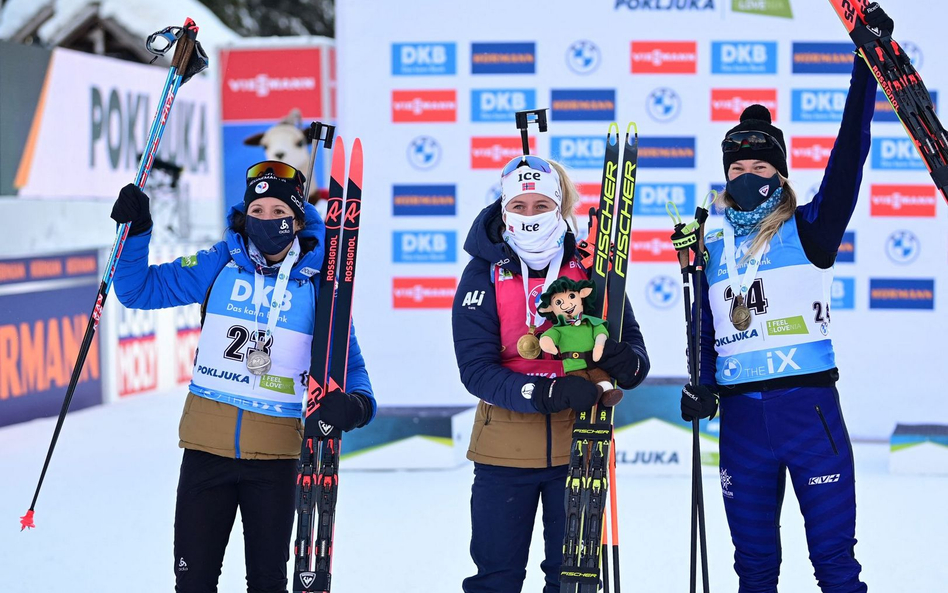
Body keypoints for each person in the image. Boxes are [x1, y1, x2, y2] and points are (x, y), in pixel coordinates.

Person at [680, 5, 894, 592]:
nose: (748, 175)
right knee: (753, 571)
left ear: (779, 173)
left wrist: (864, 70)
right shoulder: (711, 243)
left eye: (760, 166)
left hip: (810, 414)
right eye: (738, 167)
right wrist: (702, 381)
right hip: (743, 423)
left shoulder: (811, 226)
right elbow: (705, 326)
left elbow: (848, 158)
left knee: (835, 567)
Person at [110, 161, 375, 593]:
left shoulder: (316, 283)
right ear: (244, 214)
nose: (267, 221)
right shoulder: (219, 262)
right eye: (258, 211)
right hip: (205, 451)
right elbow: (138, 289)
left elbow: (352, 366)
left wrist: (358, 405)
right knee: (193, 582)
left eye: (278, 213)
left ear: (296, 219)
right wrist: (137, 232)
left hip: (275, 459)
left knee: (267, 584)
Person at [452, 153, 650, 593]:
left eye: (541, 205)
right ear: (503, 210)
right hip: (502, 452)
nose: (530, 215)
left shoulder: (590, 266)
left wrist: (620, 360)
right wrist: (542, 394)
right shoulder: (483, 270)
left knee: (573, 582)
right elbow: (476, 369)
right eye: (518, 206)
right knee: (495, 580)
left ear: (559, 207)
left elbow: (635, 359)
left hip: (580, 448)